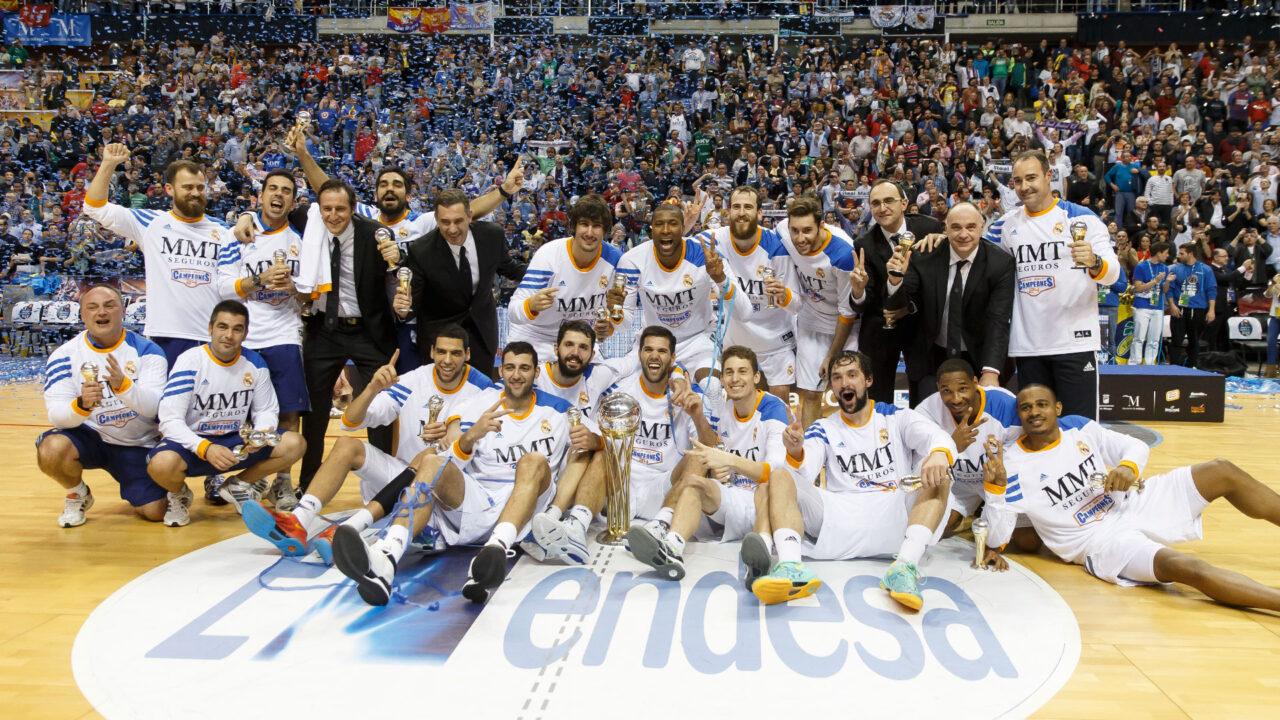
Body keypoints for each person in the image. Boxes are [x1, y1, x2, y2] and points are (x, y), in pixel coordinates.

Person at [980, 385, 1280, 612]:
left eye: (1041, 404)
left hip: (1130, 502)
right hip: (1098, 540)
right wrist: (995, 491)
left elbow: (1135, 446)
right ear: (1019, 416)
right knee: (1188, 567)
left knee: (1222, 471)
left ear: (1057, 408)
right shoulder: (1011, 465)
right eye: (1026, 408)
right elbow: (998, 537)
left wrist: (1127, 467)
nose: (1034, 412)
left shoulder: (1078, 427)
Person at [329, 342, 576, 606]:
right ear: (501, 371)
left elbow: (592, 447)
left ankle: (495, 549)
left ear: (536, 372)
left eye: (524, 368)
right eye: (510, 368)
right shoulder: (480, 404)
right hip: (481, 499)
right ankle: (387, 556)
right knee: (432, 462)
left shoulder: (560, 409)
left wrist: (566, 510)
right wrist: (471, 435)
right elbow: (453, 457)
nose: (516, 375)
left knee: (533, 460)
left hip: (527, 503)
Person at [242, 324, 492, 563]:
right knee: (347, 445)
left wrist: (454, 435)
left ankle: (352, 531)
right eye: (442, 352)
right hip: (404, 478)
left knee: (429, 457)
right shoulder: (414, 380)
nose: (447, 360)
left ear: (467, 355)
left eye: (455, 353)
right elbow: (349, 422)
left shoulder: (483, 388)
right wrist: (372, 387)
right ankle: (298, 521)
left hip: (451, 490)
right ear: (431, 352)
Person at [287, 128, 522, 372]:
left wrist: (504, 190)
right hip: (375, 317)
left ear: (409, 195)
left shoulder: (422, 223)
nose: (390, 189)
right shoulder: (364, 218)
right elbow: (329, 192)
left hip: (412, 317)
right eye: (383, 184)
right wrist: (303, 154)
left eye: (397, 185)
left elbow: (467, 210)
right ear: (375, 193)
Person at [753, 351, 956, 610]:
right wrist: (795, 451)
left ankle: (904, 569)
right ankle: (791, 568)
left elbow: (938, 437)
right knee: (781, 475)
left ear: (868, 380)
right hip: (840, 519)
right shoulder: (823, 427)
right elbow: (803, 473)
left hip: (895, 519)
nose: (844, 383)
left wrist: (938, 454)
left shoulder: (896, 417)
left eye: (852, 375)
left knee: (940, 469)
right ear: (832, 387)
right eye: (837, 378)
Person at [948, 150, 1120, 419]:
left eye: (1031, 178)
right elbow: (972, 249)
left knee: (1081, 430)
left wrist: (1094, 262)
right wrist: (939, 240)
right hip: (1028, 347)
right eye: (1017, 181)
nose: (1024, 186)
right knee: (1036, 429)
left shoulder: (1081, 218)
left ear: (1049, 176)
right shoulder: (1006, 225)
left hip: (1074, 344)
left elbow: (1114, 274)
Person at [530, 326, 718, 563]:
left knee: (699, 454)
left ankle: (661, 526)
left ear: (673, 359)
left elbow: (711, 447)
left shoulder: (690, 395)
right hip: (619, 484)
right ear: (639, 354)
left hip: (662, 487)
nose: (654, 356)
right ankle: (576, 527)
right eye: (648, 350)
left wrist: (697, 416)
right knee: (603, 450)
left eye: (662, 351)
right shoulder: (618, 388)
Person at [625, 346, 786, 582]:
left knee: (765, 489)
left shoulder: (773, 408)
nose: (735, 378)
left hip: (767, 502)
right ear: (722, 380)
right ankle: (671, 547)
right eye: (729, 372)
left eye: (742, 371)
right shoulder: (724, 409)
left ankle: (762, 555)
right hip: (734, 497)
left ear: (756, 377)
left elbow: (774, 472)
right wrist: (698, 417)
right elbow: (713, 448)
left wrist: (729, 461)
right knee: (694, 481)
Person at [146, 301, 306, 525]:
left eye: (237, 329)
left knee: (295, 444)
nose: (229, 335)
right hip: (194, 444)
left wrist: (259, 435)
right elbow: (169, 420)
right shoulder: (190, 361)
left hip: (235, 442)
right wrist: (205, 448)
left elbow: (266, 409)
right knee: (161, 464)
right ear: (210, 329)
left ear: (245, 334)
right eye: (223, 327)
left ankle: (238, 484)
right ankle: (179, 493)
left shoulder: (255, 362)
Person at [83, 144, 228, 368]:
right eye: (188, 187)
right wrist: (109, 164)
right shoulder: (151, 223)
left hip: (214, 335)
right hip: (166, 334)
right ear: (169, 189)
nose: (195, 193)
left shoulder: (224, 231)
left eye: (200, 187)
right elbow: (94, 207)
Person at [37, 285, 170, 527]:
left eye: (109, 305)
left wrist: (124, 388)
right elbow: (57, 416)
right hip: (91, 438)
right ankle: (77, 494)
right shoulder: (63, 356)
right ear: (82, 315)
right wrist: (81, 405)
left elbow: (154, 408)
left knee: (156, 512)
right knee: (51, 449)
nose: (101, 312)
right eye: (93, 307)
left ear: (123, 311)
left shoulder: (148, 351)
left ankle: (163, 488)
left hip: (136, 444)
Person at [215, 168, 309, 510]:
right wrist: (260, 280)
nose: (278, 195)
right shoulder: (239, 234)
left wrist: (295, 289)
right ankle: (240, 477)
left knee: (289, 414)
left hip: (285, 334)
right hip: (246, 337)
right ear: (261, 195)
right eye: (273, 188)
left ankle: (282, 482)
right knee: (241, 414)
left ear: (293, 201)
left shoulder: (301, 240)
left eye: (286, 191)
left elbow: (312, 294)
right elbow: (223, 288)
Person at [882, 202, 1014, 400]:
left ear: (982, 227)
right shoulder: (924, 254)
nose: (963, 234)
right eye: (956, 227)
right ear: (945, 229)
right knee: (926, 417)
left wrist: (990, 371)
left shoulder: (1000, 263)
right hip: (930, 358)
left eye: (970, 227)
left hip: (980, 357)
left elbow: (999, 319)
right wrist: (895, 279)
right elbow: (897, 305)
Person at [399, 188, 528, 379]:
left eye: (458, 221)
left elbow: (509, 267)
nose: (452, 229)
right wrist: (402, 311)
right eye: (445, 222)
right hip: (441, 340)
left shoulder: (492, 235)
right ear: (436, 220)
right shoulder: (421, 251)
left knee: (481, 392)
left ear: (470, 216)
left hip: (482, 334)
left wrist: (545, 272)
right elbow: (412, 305)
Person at [695, 186, 799, 397]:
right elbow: (681, 246)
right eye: (736, 207)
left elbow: (796, 305)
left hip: (776, 342)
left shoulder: (777, 246)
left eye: (748, 207)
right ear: (728, 211)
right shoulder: (714, 240)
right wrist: (688, 222)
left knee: (779, 406)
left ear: (759, 213)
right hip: (736, 341)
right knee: (737, 406)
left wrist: (784, 295)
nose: (741, 213)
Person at [612, 203, 735, 380]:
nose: (665, 230)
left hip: (699, 337)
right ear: (651, 229)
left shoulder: (703, 254)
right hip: (655, 340)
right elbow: (623, 325)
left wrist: (721, 280)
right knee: (631, 384)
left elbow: (732, 304)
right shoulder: (632, 260)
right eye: (659, 224)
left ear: (683, 228)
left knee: (712, 386)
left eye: (673, 224)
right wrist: (615, 312)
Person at [851, 179, 945, 406]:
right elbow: (864, 302)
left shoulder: (929, 228)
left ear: (904, 203)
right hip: (882, 326)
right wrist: (858, 291)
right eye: (875, 203)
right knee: (877, 401)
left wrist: (946, 239)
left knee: (925, 402)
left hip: (920, 325)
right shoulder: (864, 243)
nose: (882, 208)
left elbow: (936, 283)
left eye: (888, 201)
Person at [914, 359, 1028, 542]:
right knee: (934, 530)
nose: (956, 398)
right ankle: (966, 521)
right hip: (959, 483)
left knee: (1027, 541)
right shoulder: (926, 411)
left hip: (999, 480)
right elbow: (918, 463)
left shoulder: (1005, 404)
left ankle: (982, 518)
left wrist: (998, 485)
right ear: (938, 388)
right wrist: (951, 446)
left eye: (963, 389)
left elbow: (1024, 454)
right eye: (946, 391)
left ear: (975, 383)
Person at [774, 195, 860, 429]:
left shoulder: (843, 254)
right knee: (810, 392)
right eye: (795, 231)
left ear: (822, 226)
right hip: (811, 320)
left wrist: (832, 356)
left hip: (844, 326)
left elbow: (847, 312)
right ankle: (811, 447)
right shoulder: (783, 231)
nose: (800, 238)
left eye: (807, 231)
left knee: (849, 392)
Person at [506, 194, 621, 363]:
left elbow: (621, 312)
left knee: (602, 377)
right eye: (584, 224)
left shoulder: (615, 259)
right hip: (536, 336)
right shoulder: (549, 255)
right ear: (573, 227)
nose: (590, 232)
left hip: (577, 340)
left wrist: (608, 326)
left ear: (605, 231)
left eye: (597, 226)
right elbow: (513, 311)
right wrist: (530, 305)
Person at [1167, 243, 1218, 368]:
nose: (1179, 256)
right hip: (1179, 309)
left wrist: (1211, 310)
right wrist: (1172, 305)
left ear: (1190, 254)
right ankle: (1174, 368)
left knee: (1194, 341)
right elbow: (1170, 289)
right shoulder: (1175, 268)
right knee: (1176, 340)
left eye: (1182, 253)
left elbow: (1211, 290)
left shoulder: (1205, 269)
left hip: (1198, 309)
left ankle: (1193, 367)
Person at [1129, 241, 1173, 365]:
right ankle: (1135, 363)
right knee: (1139, 337)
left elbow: (1164, 290)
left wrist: (1168, 281)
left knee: (1154, 339)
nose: (1168, 255)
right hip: (1142, 306)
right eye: (1166, 253)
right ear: (1158, 253)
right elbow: (1138, 288)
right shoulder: (1141, 266)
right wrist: (1155, 281)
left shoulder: (1164, 268)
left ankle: (1150, 364)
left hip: (1157, 306)